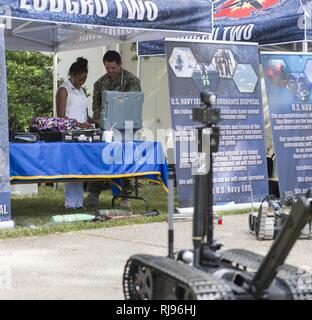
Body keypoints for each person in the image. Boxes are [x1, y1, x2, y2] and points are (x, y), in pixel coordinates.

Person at [86, 50, 141, 207]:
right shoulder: (100, 83)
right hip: (105, 128)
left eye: (113, 68)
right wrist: (98, 117)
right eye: (107, 68)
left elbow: (134, 105)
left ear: (120, 64)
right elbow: (96, 105)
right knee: (100, 158)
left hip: (126, 128)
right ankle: (93, 193)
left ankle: (125, 196)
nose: (110, 71)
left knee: (123, 160)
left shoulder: (131, 81)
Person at [56, 57, 90, 209]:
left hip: (83, 134)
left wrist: (95, 120)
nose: (81, 82)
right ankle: (70, 203)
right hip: (69, 134)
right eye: (79, 79)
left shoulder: (82, 90)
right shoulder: (63, 90)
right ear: (71, 75)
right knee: (71, 168)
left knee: (80, 168)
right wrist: (79, 123)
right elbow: (61, 117)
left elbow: (84, 113)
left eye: (84, 79)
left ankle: (79, 202)